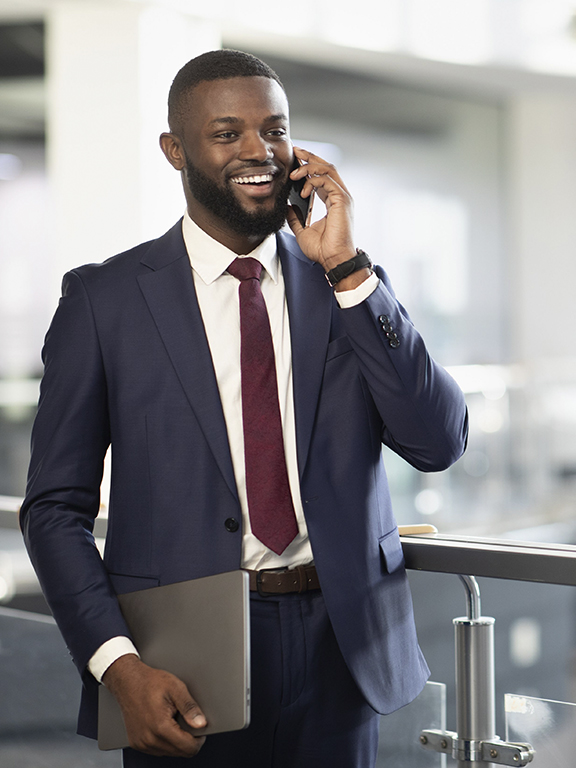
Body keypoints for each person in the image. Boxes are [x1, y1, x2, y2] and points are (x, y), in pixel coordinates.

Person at [20, 49, 468, 768]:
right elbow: (53, 509)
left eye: (275, 130)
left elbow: (439, 442)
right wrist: (119, 665)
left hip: (341, 648)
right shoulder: (104, 303)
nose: (259, 150)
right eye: (227, 133)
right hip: (180, 656)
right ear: (176, 150)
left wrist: (350, 272)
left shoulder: (346, 286)